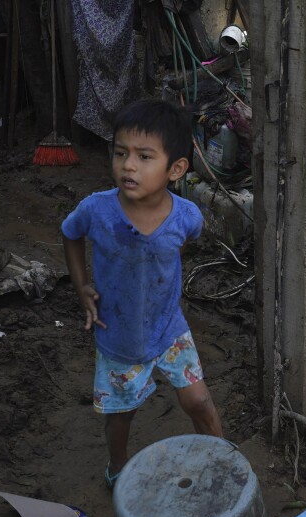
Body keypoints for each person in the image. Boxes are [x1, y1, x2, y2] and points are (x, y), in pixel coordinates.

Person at [61, 99, 223, 487]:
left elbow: (178, 248)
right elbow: (70, 234)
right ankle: (117, 470)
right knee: (122, 416)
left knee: (198, 401)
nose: (128, 165)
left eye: (144, 157)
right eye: (120, 153)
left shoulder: (186, 217)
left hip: (169, 330)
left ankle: (222, 457)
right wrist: (82, 285)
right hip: (119, 337)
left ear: (176, 169)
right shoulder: (96, 211)